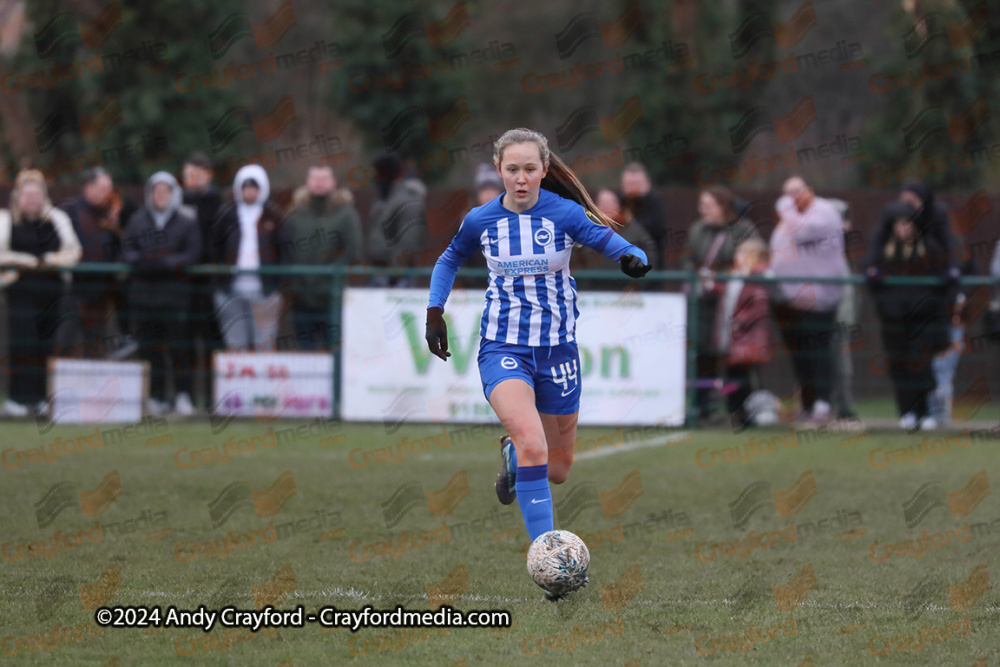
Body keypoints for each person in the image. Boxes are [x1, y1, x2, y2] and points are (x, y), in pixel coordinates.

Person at [424, 128, 651, 600]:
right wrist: (434, 310)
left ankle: (512, 454)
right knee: (533, 443)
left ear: (544, 170)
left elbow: (608, 240)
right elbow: (448, 260)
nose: (521, 178)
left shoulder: (564, 213)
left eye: (530, 169)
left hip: (558, 352)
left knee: (559, 468)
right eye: (512, 169)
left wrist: (632, 256)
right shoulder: (481, 220)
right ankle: (549, 562)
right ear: (499, 171)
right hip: (502, 348)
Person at [0, 170, 81, 416]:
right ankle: (17, 400)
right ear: (18, 197)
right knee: (22, 345)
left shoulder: (58, 219)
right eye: (27, 194)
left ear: (44, 196)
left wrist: (50, 260)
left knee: (47, 347)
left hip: (52, 293)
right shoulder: (5, 220)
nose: (32, 199)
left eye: (36, 194)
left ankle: (43, 400)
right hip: (20, 294)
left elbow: (73, 252)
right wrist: (23, 260)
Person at [121, 172, 202, 416]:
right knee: (150, 350)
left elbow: (192, 254)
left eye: (165, 191)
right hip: (144, 297)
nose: (160, 196)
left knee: (180, 349)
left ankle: (183, 395)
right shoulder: (137, 220)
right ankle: (156, 396)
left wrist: (162, 263)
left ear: (174, 194)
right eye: (156, 191)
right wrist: (155, 262)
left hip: (175, 298)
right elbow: (127, 251)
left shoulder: (186, 222)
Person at [769, 177, 847, 425]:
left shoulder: (824, 213)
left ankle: (823, 405)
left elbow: (802, 232)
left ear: (808, 191)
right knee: (799, 354)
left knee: (818, 352)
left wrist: (784, 207)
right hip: (788, 298)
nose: (790, 198)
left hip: (819, 298)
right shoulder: (790, 216)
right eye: (786, 193)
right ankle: (808, 404)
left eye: (795, 192)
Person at [866, 201, 950, 430]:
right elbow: (872, 277)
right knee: (899, 365)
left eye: (908, 224)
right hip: (893, 321)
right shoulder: (884, 251)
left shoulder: (929, 249)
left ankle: (925, 413)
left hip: (922, 320)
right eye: (900, 224)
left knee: (921, 366)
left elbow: (943, 279)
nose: (904, 228)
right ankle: (907, 413)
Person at [681, 186, 760, 423]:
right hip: (704, 306)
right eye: (701, 205)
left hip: (735, 306)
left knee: (736, 359)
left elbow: (750, 262)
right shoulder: (698, 230)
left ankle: (740, 410)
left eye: (707, 205)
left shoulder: (744, 230)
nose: (702, 210)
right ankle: (703, 407)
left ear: (722, 206)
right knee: (704, 356)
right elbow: (688, 259)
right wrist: (697, 276)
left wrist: (718, 278)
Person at [207, 164, 293, 352]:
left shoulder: (275, 216)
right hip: (230, 291)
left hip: (265, 292)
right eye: (245, 187)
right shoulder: (226, 215)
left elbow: (286, 251)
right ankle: (239, 381)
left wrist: (277, 286)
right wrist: (219, 282)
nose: (249, 192)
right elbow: (213, 249)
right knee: (236, 344)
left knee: (264, 344)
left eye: (254, 188)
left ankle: (261, 382)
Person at [59, 167, 137, 358]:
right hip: (73, 288)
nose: (108, 193)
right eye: (103, 188)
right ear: (88, 187)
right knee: (66, 338)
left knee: (95, 342)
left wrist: (118, 223)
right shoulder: (70, 209)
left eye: (109, 189)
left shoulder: (114, 211)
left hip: (101, 289)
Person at [287, 164, 362, 350]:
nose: (319, 183)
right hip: (301, 295)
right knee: (306, 353)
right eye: (315, 178)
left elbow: (353, 249)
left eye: (324, 178)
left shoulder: (346, 214)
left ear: (333, 182)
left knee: (334, 352)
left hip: (332, 294)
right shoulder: (295, 214)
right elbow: (285, 248)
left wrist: (330, 272)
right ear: (307, 181)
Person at [714, 238, 773, 429]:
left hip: (748, 339)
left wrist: (741, 321)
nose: (737, 257)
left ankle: (748, 415)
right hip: (731, 336)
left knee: (745, 378)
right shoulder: (735, 276)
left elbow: (758, 306)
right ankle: (735, 412)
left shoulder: (759, 278)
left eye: (743, 254)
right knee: (732, 377)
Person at [181, 152, 223, 407]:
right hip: (183, 283)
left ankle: (212, 397)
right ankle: (183, 395)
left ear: (208, 175)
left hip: (210, 282)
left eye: (197, 174)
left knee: (212, 342)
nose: (192, 180)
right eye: (188, 175)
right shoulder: (177, 202)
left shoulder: (219, 203)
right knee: (184, 342)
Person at [365, 152, 427, 287]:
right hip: (379, 271)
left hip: (396, 277)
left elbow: (408, 242)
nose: (375, 177)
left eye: (378, 172)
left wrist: (394, 274)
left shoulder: (407, 202)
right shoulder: (384, 199)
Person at [621, 163, 668, 270]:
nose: (632, 188)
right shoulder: (619, 204)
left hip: (652, 265)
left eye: (636, 184)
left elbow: (656, 230)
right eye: (629, 184)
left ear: (647, 183)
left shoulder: (656, 203)